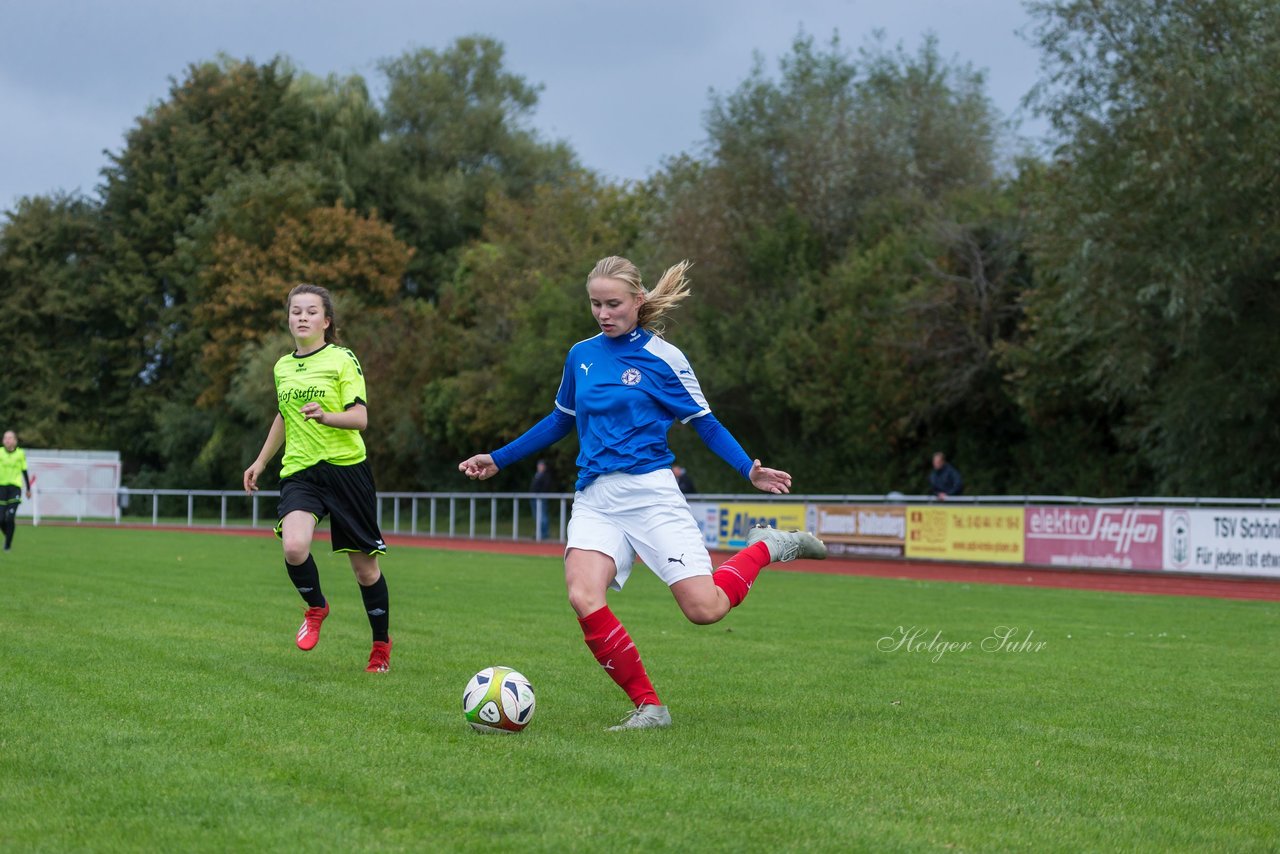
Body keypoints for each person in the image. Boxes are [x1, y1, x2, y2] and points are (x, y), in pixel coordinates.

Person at [459, 256, 827, 731]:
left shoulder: (664, 358)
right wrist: (499, 457)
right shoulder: (581, 355)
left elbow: (704, 423)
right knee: (582, 594)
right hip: (595, 496)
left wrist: (747, 469)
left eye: (613, 303)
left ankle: (765, 547)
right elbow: (560, 420)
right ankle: (650, 707)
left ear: (638, 300)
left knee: (705, 609)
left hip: (651, 494)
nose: (603, 313)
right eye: (595, 304)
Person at [243, 284, 393, 673]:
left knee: (365, 570)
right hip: (301, 473)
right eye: (296, 311)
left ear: (326, 321)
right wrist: (260, 461)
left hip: (347, 471)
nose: (303, 317)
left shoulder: (342, 359)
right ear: (289, 318)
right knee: (294, 547)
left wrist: (326, 415)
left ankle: (380, 647)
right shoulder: (282, 367)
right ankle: (316, 607)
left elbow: (360, 419)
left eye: (311, 311)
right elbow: (283, 415)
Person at [0, 430, 33, 551]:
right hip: (1, 489)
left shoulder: (20, 454)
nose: (7, 440)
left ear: (15, 440)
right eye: (5, 438)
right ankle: (8, 535)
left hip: (15, 489)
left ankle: (8, 545)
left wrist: (28, 489)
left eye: (10, 438)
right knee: (1, 519)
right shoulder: (0, 453)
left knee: (10, 517)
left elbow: (24, 471)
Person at [530, 459, 555, 541]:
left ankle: (544, 534)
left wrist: (540, 494)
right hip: (534, 498)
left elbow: (546, 486)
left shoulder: (545, 475)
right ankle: (539, 533)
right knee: (536, 516)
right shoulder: (537, 474)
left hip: (541, 498)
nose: (540, 467)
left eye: (541, 465)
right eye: (539, 465)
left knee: (542, 516)